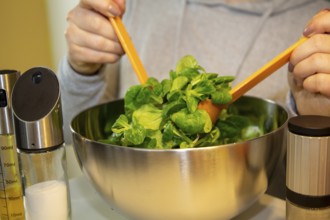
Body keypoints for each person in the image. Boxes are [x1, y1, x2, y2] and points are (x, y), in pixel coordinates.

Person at [58, 0, 330, 199]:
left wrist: (314, 117)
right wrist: (81, 70)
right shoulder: (133, 6)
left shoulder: (316, 26)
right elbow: (73, 135)